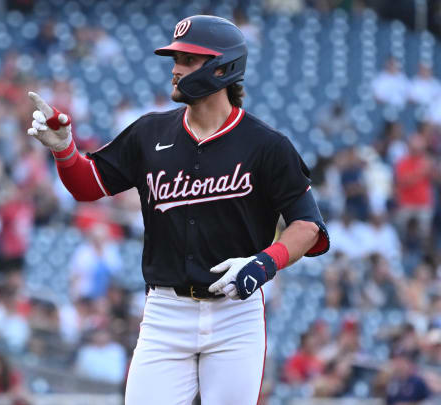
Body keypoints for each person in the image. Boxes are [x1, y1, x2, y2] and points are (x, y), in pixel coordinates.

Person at [26, 15, 329, 404]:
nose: (176, 70)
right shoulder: (149, 132)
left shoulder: (266, 145)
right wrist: (63, 148)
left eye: (188, 60)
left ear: (223, 68)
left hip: (235, 314)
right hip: (165, 312)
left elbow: (309, 226)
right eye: (176, 59)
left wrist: (263, 263)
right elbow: (88, 185)